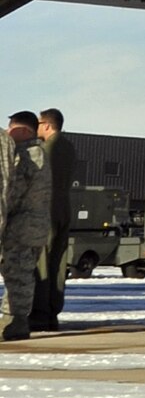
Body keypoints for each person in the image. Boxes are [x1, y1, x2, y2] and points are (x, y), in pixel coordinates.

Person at [0, 112, 50, 341]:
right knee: (20, 273)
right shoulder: (39, 153)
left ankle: (15, 322)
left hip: (21, 228)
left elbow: (12, 193)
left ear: (25, 132)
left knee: (17, 275)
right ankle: (15, 320)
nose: (9, 134)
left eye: (13, 130)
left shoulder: (29, 156)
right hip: (33, 227)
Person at [30, 109, 73, 332]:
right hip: (64, 206)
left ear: (47, 125)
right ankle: (52, 311)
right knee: (58, 261)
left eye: (38, 124)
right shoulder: (68, 147)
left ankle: (39, 314)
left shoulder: (46, 149)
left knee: (42, 261)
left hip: (46, 207)